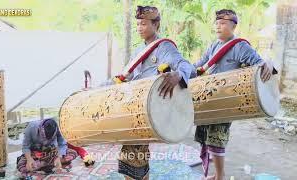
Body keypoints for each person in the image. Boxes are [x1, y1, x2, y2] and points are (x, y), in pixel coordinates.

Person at [103, 5, 196, 180]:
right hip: (134, 107)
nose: (139, 28)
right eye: (138, 24)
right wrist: (98, 88)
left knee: (133, 156)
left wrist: (178, 75)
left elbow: (185, 65)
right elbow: (125, 76)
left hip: (149, 110)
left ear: (156, 25)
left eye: (144, 24)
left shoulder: (165, 47)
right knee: (134, 155)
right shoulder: (139, 51)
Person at [193, 9, 275, 180]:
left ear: (233, 26)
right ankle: (216, 175)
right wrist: (183, 70)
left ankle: (221, 176)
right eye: (216, 23)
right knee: (208, 138)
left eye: (222, 23)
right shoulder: (213, 45)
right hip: (209, 98)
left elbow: (259, 65)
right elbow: (199, 65)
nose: (218, 26)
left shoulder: (240, 46)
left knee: (217, 138)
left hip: (226, 100)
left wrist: (267, 62)